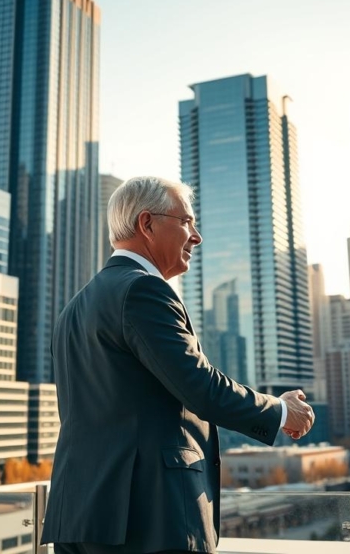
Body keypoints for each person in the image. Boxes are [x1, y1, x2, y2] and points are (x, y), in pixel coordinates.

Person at [42, 176, 315, 554]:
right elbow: (200, 386)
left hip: (79, 513)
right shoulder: (142, 290)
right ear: (146, 224)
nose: (196, 236)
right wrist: (281, 411)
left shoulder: (72, 309)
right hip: (148, 515)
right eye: (186, 221)